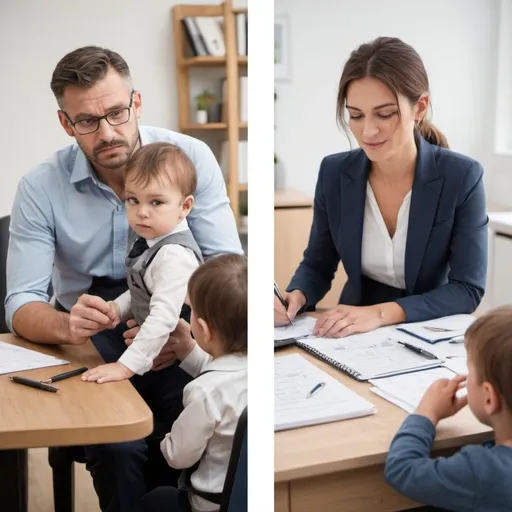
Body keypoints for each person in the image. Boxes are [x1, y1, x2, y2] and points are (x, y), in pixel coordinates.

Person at [5, 46, 242, 512]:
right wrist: (66, 326)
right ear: (66, 123)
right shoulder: (39, 187)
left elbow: (230, 268)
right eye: (88, 121)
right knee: (116, 448)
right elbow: (21, 302)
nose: (108, 132)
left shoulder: (190, 157)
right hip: (89, 339)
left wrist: (191, 338)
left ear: (136, 102)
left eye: (116, 112)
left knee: (209, 420)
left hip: (180, 330)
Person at [274, 36, 488, 338]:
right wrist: (297, 294)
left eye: (385, 114)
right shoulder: (334, 173)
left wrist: (380, 314)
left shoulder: (462, 176)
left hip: (428, 329)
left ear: (419, 108)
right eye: (356, 115)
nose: (368, 131)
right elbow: (318, 264)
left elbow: (467, 289)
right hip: (353, 333)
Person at [82, 142, 202, 384]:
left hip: (181, 364)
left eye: (156, 202)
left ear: (185, 207)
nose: (141, 212)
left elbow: (163, 319)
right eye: (133, 200)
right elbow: (145, 286)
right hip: (152, 351)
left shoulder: (174, 255)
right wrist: (116, 308)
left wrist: (124, 367)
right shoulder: (153, 240)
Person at [135, 253, 248, 512]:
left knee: (154, 500)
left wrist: (168, 439)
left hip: (210, 505)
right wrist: (188, 351)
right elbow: (222, 372)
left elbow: (178, 456)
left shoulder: (203, 392)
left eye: (192, 309)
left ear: (204, 329)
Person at [385, 305, 512, 511]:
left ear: (489, 398)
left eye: (470, 370)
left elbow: (402, 469)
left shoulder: (483, 471)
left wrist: (427, 413)